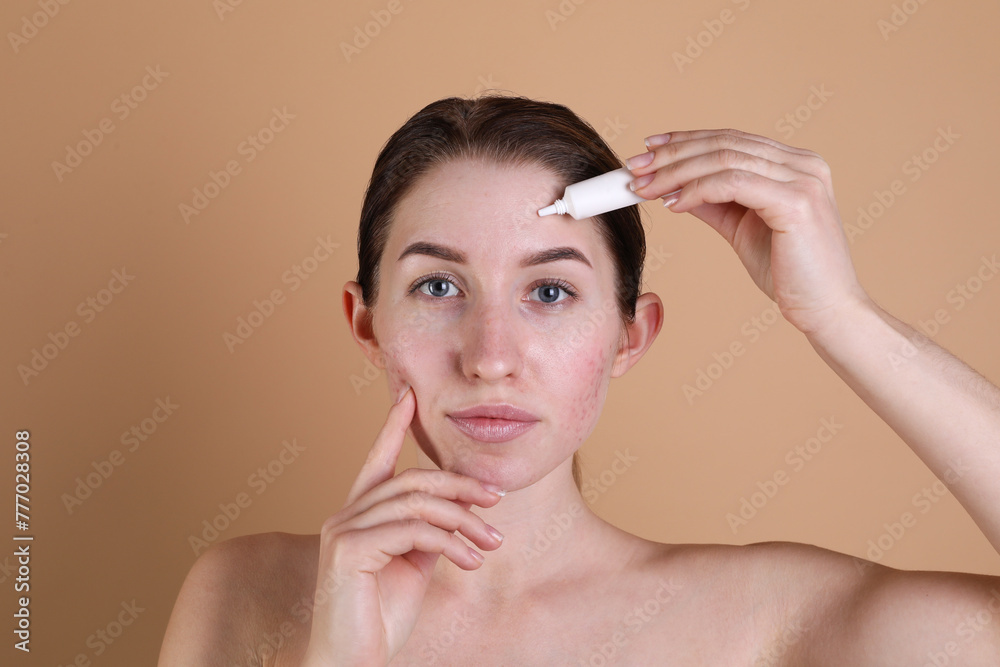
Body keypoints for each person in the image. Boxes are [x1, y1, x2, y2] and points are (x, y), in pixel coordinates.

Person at [158, 94, 1000, 666]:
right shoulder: (249, 594)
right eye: (439, 286)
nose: (491, 354)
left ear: (631, 334)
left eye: (550, 291)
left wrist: (843, 316)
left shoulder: (762, 618)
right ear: (366, 323)